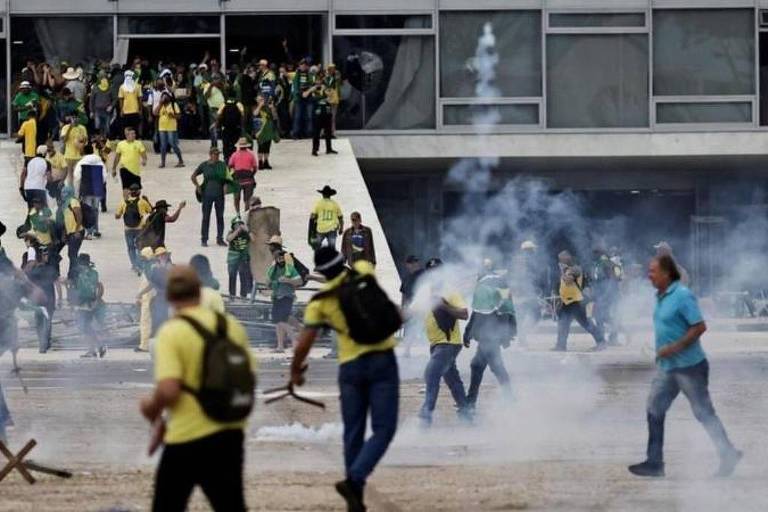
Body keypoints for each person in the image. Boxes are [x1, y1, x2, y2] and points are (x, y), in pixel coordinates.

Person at [290, 247, 398, 512]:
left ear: (322, 272)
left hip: (350, 368)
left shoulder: (320, 301)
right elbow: (365, 270)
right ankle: (355, 480)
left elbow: (305, 342)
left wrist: (295, 371)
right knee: (384, 430)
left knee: (353, 433)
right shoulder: (363, 272)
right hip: (382, 360)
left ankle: (355, 499)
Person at [140, 265, 253, 512]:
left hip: (187, 437)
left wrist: (150, 408)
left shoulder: (173, 332)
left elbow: (169, 390)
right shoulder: (230, 327)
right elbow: (246, 376)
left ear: (169, 297)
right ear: (200, 291)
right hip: (230, 433)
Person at [628, 255, 742, 478]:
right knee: (654, 409)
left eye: (653, 271)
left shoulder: (682, 295)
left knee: (703, 413)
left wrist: (674, 347)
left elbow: (699, 326)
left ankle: (727, 453)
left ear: (667, 273)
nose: (648, 275)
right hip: (668, 367)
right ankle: (654, 463)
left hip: (690, 366)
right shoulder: (660, 296)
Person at [419, 258, 472, 426]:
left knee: (431, 373)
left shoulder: (450, 290)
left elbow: (464, 314)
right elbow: (408, 313)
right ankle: (466, 414)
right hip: (436, 344)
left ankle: (425, 417)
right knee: (452, 379)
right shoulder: (425, 292)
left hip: (448, 343)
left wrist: (443, 306)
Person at [464, 259, 515, 410]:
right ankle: (508, 397)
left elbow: (507, 311)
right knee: (486, 366)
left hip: (492, 335)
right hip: (486, 335)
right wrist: (467, 332)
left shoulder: (500, 287)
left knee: (483, 366)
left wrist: (505, 334)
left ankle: (471, 401)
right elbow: (476, 313)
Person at [554, 250, 606, 352]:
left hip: (576, 301)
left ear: (568, 257)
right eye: (560, 258)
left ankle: (601, 342)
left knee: (586, 323)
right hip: (566, 301)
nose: (561, 260)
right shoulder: (566, 269)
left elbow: (568, 281)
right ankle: (561, 345)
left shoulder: (575, 268)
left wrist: (562, 271)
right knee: (563, 324)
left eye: (562, 258)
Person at [70, 253, 107, 358]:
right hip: (90, 303)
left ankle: (97, 347)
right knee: (86, 327)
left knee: (84, 326)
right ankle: (95, 349)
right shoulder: (94, 273)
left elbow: (81, 289)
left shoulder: (82, 274)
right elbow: (99, 286)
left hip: (85, 304)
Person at [192, 147, 229, 247]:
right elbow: (193, 176)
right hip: (207, 194)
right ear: (210, 155)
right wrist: (198, 186)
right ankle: (204, 239)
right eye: (215, 154)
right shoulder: (204, 165)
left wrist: (225, 188)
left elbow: (227, 179)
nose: (217, 156)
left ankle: (220, 238)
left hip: (219, 194)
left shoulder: (222, 165)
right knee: (205, 217)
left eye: (218, 154)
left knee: (220, 217)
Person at [267, 250, 302, 353]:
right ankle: (280, 346)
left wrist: (288, 280)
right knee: (278, 322)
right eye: (279, 258)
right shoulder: (272, 269)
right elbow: (267, 283)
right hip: (276, 296)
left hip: (287, 296)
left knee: (281, 320)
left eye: (282, 258)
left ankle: (294, 341)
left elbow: (299, 281)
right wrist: (269, 283)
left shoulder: (290, 269)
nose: (280, 260)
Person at [116, 183, 153, 273]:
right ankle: (140, 264)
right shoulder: (142, 202)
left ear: (130, 192)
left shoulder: (123, 202)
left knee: (130, 248)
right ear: (139, 192)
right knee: (139, 247)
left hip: (128, 229)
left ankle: (134, 265)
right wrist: (147, 201)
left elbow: (117, 216)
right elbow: (151, 211)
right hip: (140, 229)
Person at [74, 144, 107, 240]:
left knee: (87, 210)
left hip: (86, 189)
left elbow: (77, 177)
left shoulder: (81, 162)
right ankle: (96, 230)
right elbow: (104, 176)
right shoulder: (100, 162)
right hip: (97, 189)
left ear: (83, 152)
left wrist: (77, 192)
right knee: (95, 209)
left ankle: (89, 231)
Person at [591, 247, 620, 345]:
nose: (592, 256)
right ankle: (614, 335)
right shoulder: (600, 263)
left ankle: (602, 341)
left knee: (599, 316)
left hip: (607, 295)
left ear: (599, 254)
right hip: (602, 294)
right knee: (602, 316)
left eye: (594, 254)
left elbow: (612, 280)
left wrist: (605, 296)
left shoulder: (606, 263)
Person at [305, 73, 337, 156]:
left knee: (328, 132)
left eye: (320, 80)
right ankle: (314, 150)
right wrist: (313, 91)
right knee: (316, 133)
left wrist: (324, 92)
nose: (318, 82)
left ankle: (329, 149)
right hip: (317, 114)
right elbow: (307, 97)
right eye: (317, 80)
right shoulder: (312, 89)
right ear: (315, 81)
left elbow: (331, 99)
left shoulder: (326, 88)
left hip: (326, 112)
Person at [399, 255, 425, 357]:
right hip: (410, 308)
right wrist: (403, 308)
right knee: (409, 328)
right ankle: (407, 351)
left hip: (422, 306)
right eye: (412, 262)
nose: (415, 264)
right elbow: (404, 294)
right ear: (407, 265)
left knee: (424, 327)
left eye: (416, 262)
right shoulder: (406, 278)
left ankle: (429, 349)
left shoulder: (424, 274)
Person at [57, 185, 84, 280]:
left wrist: (77, 231)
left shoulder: (73, 201)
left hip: (76, 232)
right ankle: (73, 274)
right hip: (69, 233)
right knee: (71, 254)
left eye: (65, 192)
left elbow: (79, 215)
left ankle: (73, 275)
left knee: (72, 254)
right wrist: (64, 234)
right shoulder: (64, 204)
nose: (63, 194)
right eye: (62, 192)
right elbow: (66, 220)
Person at [113, 127, 148, 199]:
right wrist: (114, 168)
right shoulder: (121, 144)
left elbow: (143, 154)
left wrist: (144, 160)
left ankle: (136, 205)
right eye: (132, 134)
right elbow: (117, 157)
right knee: (125, 188)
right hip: (124, 169)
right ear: (127, 135)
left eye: (134, 133)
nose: (134, 135)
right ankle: (126, 204)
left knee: (137, 189)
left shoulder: (138, 143)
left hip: (135, 171)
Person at [228, 138, 257, 216]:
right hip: (248, 179)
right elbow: (255, 167)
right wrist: (252, 175)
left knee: (236, 198)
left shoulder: (234, 154)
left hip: (237, 178)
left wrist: (232, 175)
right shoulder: (251, 155)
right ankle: (246, 214)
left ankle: (238, 214)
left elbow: (230, 166)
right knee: (247, 199)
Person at [226, 218, 254, 298]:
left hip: (243, 258)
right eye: (236, 224)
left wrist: (247, 231)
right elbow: (228, 239)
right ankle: (232, 295)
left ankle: (243, 295)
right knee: (232, 275)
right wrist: (237, 231)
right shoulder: (231, 232)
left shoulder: (246, 234)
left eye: (240, 224)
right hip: (233, 258)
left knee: (243, 276)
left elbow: (253, 239)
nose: (239, 226)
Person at [156, 92, 185, 169]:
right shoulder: (160, 106)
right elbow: (155, 113)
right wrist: (160, 104)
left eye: (166, 97)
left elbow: (179, 116)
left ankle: (180, 160)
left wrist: (173, 116)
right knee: (163, 146)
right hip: (162, 127)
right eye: (163, 97)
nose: (164, 99)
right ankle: (163, 162)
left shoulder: (173, 105)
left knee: (173, 144)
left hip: (171, 128)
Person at [309, 185, 343, 249]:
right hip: (332, 228)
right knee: (332, 248)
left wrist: (312, 228)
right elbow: (340, 217)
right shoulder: (335, 204)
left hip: (321, 228)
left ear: (323, 195)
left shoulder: (318, 203)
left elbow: (313, 216)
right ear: (330, 195)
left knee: (317, 247)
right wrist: (341, 228)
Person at [136, 247, 156, 353]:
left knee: (145, 321)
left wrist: (139, 295)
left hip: (148, 297)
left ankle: (144, 345)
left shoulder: (149, 267)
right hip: (150, 297)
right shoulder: (153, 265)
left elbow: (149, 284)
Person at [60, 114, 88, 186]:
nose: (75, 119)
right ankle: (71, 194)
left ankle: (79, 193)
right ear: (70, 118)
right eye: (73, 117)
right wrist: (70, 128)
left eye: (76, 117)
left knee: (79, 176)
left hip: (79, 156)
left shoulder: (82, 128)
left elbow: (86, 140)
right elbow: (64, 140)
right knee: (70, 177)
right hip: (68, 156)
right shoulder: (65, 127)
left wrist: (81, 141)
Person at [253, 95, 279, 169]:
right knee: (261, 146)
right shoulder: (256, 107)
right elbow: (255, 114)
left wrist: (272, 108)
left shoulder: (268, 107)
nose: (261, 101)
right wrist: (260, 106)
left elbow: (275, 117)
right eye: (259, 100)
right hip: (260, 130)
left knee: (267, 146)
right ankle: (260, 161)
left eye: (262, 99)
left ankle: (266, 161)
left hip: (268, 129)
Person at [291, 59, 313, 139]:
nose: (303, 66)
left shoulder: (310, 74)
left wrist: (307, 92)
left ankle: (309, 133)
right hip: (299, 98)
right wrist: (301, 93)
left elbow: (312, 84)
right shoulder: (296, 74)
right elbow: (296, 86)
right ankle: (296, 133)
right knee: (297, 116)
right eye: (301, 65)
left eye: (304, 65)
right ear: (299, 66)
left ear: (307, 66)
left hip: (309, 98)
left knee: (309, 116)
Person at [218, 96, 244, 162]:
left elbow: (219, 114)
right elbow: (242, 114)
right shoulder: (238, 103)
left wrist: (219, 124)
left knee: (225, 144)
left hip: (226, 127)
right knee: (234, 144)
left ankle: (226, 158)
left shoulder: (224, 103)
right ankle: (233, 158)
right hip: (236, 127)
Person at [204, 74, 227, 149]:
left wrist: (220, 86)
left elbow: (226, 95)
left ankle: (225, 145)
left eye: (217, 79)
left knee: (224, 127)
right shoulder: (207, 85)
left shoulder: (222, 86)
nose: (216, 80)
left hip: (223, 108)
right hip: (213, 109)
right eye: (215, 79)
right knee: (213, 128)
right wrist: (211, 86)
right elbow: (206, 96)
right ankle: (214, 146)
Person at [90, 72, 114, 138]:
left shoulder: (110, 87)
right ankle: (100, 140)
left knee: (107, 127)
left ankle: (106, 140)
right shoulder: (95, 87)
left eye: (104, 77)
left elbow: (114, 99)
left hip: (107, 111)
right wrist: (91, 111)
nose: (103, 78)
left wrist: (111, 106)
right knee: (98, 126)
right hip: (97, 110)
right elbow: (91, 100)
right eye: (101, 77)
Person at [119, 70, 142, 134]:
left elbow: (140, 98)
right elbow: (121, 99)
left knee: (135, 127)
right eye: (127, 76)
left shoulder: (137, 86)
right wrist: (121, 110)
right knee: (126, 127)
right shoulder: (122, 87)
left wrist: (140, 109)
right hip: (125, 110)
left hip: (135, 110)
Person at [324, 63, 342, 136]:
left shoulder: (336, 78)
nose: (332, 70)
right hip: (327, 99)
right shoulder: (326, 78)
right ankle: (325, 132)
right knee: (326, 116)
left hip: (335, 99)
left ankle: (332, 132)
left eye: (333, 69)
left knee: (333, 117)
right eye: (330, 69)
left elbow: (339, 83)